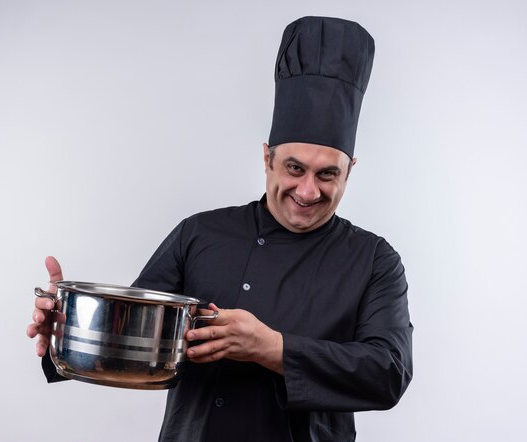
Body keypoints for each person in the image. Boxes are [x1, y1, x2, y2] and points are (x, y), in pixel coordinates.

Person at [27, 16, 413, 441]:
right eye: (294, 168)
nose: (308, 190)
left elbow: (389, 373)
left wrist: (272, 348)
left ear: (350, 170)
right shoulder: (200, 235)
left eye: (327, 175)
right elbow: (129, 340)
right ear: (267, 157)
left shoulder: (374, 259)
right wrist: (69, 328)